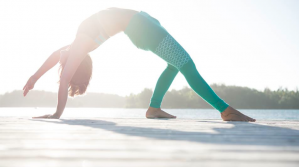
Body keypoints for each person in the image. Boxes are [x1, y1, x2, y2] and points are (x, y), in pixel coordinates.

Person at [23, 7, 255, 122]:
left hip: (142, 25)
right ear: (77, 65)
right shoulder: (82, 45)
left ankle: (154, 108)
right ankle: (225, 110)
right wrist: (57, 113)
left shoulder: (79, 43)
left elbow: (57, 55)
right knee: (186, 64)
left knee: (175, 65)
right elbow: (64, 78)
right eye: (67, 64)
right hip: (141, 27)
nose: (62, 62)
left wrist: (34, 77)